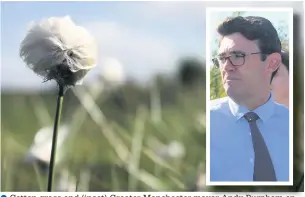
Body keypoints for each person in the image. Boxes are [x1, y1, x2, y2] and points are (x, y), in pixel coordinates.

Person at [210, 16, 289, 182]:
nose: (226, 67)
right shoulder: (205, 124)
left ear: (272, 63)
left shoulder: (295, 130)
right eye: (222, 58)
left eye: (238, 56)